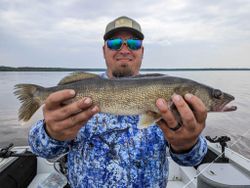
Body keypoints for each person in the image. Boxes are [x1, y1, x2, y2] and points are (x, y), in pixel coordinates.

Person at [29, 16, 207, 187]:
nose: (124, 49)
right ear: (104, 50)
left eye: (133, 44)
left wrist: (186, 144)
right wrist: (51, 132)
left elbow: (192, 160)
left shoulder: (171, 98)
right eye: (114, 44)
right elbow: (42, 150)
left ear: (142, 51)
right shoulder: (78, 92)